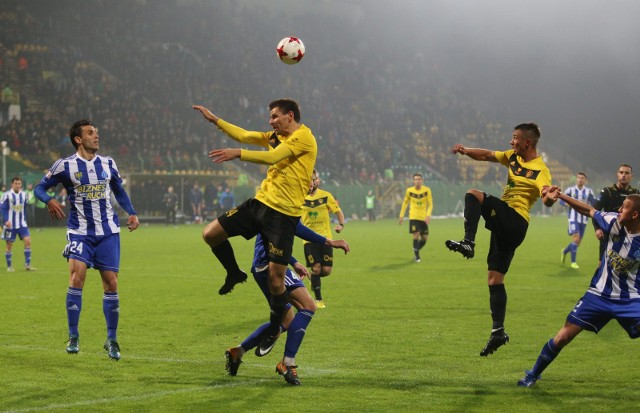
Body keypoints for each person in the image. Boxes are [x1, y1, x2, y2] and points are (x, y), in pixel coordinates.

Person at [192, 99, 317, 347]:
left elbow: (273, 158)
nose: (270, 121)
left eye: (274, 117)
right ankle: (233, 273)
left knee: (275, 281)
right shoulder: (275, 135)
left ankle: (274, 324)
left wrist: (237, 154)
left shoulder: (304, 138)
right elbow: (244, 134)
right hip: (260, 205)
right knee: (210, 234)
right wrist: (215, 120)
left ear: (289, 116)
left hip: (283, 215)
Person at [445, 123, 555, 357]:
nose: (510, 142)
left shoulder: (541, 169)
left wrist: (550, 199)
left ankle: (468, 242)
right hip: (509, 227)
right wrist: (465, 150)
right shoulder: (512, 157)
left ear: (527, 142)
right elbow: (486, 155)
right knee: (495, 279)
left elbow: (546, 196)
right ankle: (498, 331)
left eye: (514, 138)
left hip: (515, 219)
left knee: (473, 194)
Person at [34, 119, 139, 360]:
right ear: (78, 139)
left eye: (97, 132)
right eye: (91, 133)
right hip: (80, 231)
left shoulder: (108, 163)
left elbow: (119, 191)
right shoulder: (65, 165)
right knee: (76, 277)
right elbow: (39, 188)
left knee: (111, 284)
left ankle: (111, 340)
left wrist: (131, 211)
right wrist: (48, 200)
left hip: (108, 231)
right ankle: (73, 336)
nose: (96, 136)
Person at [517, 189, 640, 388]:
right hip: (598, 295)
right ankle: (533, 374)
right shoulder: (614, 221)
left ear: (635, 215)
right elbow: (589, 210)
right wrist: (562, 196)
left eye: (624, 207)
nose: (619, 209)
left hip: (630, 299)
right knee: (564, 335)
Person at [225, 221, 350, 385]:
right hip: (272, 265)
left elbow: (285, 233)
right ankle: (287, 362)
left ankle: (238, 352)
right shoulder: (283, 205)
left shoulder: (276, 206)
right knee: (308, 306)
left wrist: (295, 262)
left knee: (287, 319)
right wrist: (329, 242)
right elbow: (282, 236)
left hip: (265, 265)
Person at [301, 169, 345, 308]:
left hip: (326, 239)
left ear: (317, 180)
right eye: (310, 179)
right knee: (316, 268)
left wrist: (340, 225)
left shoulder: (326, 196)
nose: (313, 181)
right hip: (308, 239)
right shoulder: (300, 197)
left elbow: (338, 211)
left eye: (315, 178)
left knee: (326, 271)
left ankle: (314, 280)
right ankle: (318, 300)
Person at [592, 163, 639, 264]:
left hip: (628, 236)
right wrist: (597, 228)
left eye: (627, 173)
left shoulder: (635, 193)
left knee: (626, 266)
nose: (624, 175)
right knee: (603, 264)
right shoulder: (607, 191)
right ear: (617, 175)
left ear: (631, 176)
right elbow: (595, 210)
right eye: (621, 172)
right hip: (609, 233)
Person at [560, 172, 595, 269]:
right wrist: (569, 204)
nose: (580, 179)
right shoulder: (570, 190)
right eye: (578, 177)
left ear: (585, 180)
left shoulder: (589, 192)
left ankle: (564, 251)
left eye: (582, 178)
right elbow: (561, 201)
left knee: (578, 242)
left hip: (584, 219)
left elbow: (594, 203)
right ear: (576, 179)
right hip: (573, 218)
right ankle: (573, 262)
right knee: (576, 239)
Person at [0, 177, 35, 272]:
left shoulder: (24, 195)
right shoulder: (6, 195)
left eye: (19, 183)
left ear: (21, 185)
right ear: (12, 184)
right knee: (9, 245)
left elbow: (24, 208)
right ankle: (9, 266)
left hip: (22, 224)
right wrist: (6, 220)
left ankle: (27, 265)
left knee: (28, 241)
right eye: (15, 183)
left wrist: (25, 220)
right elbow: (2, 208)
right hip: (10, 224)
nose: (17, 185)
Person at [398, 173, 433, 263]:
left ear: (422, 181)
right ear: (413, 181)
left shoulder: (427, 190)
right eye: (415, 179)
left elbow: (430, 204)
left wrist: (428, 215)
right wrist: (401, 215)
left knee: (425, 238)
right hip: (413, 216)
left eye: (419, 179)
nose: (417, 181)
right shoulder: (409, 191)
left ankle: (415, 248)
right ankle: (417, 257)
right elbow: (405, 203)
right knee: (416, 234)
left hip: (423, 217)